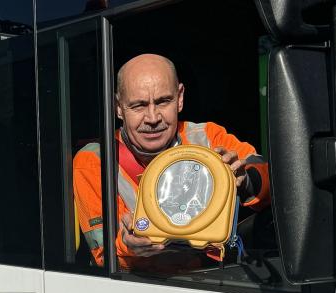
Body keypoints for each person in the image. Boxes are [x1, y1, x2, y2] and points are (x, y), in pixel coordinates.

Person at [73, 53, 270, 270]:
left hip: (215, 279)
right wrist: (127, 245)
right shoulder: (94, 161)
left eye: (163, 101)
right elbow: (103, 253)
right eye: (138, 105)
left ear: (180, 98)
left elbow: (273, 183)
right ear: (119, 107)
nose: (153, 117)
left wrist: (247, 182)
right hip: (141, 290)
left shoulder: (207, 137)